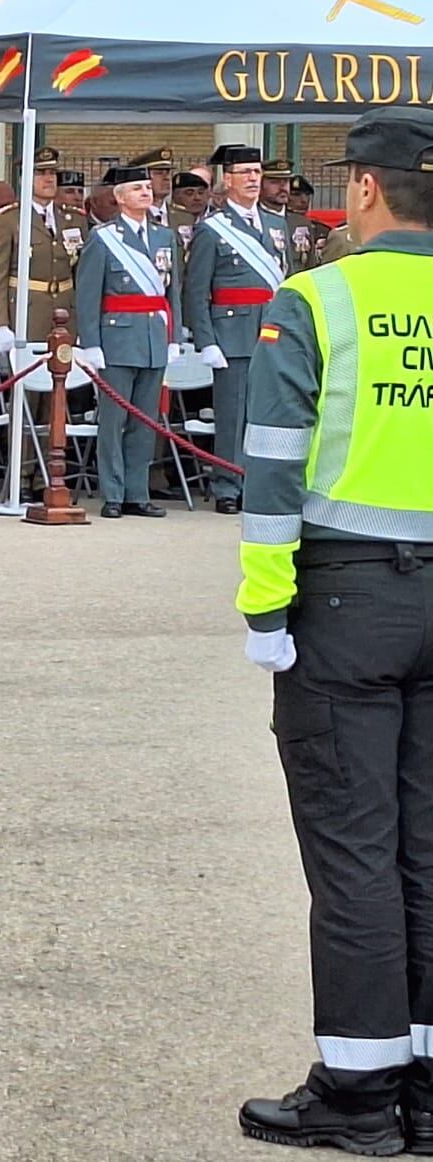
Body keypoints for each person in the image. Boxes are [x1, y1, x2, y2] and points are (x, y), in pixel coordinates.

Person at [234, 105, 433, 1156]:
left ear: (363, 189)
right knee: (429, 848)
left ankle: (359, 1094)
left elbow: (272, 468)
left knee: (353, 852)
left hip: (349, 598)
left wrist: (266, 606)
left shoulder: (317, 298)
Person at [182, 141, 289, 515]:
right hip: (232, 334)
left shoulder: (277, 224)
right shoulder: (212, 230)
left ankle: (257, 482)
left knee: (267, 414)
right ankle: (228, 483)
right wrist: (206, 339)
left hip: (271, 332)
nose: (253, 180)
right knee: (232, 416)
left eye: (257, 173)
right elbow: (197, 290)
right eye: (245, 173)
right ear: (227, 180)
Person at [73, 164, 182, 519]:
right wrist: (91, 343)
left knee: (145, 422)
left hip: (153, 337)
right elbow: (88, 295)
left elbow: (172, 292)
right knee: (113, 420)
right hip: (117, 338)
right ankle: (114, 493)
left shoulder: (165, 237)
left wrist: (174, 335)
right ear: (120, 198)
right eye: (137, 189)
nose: (146, 194)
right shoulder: (104, 238)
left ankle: (137, 491)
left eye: (147, 188)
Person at [0, 144, 88, 350]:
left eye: (52, 173)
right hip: (27, 312)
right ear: (25, 179)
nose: (49, 179)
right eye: (40, 173)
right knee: (29, 377)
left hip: (66, 312)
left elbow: (81, 273)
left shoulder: (73, 218)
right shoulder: (9, 219)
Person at [128, 143, 180, 229]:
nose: (166, 178)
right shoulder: (132, 216)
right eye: (159, 173)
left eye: (168, 173)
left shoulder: (185, 217)